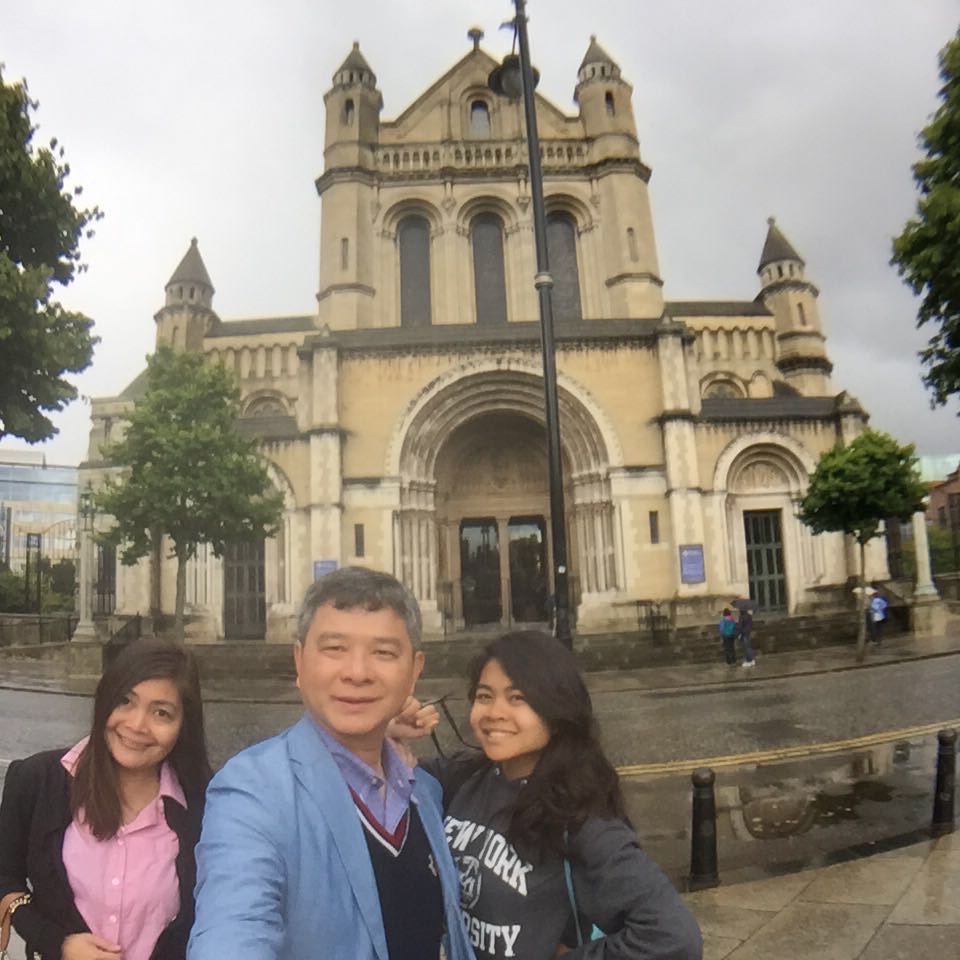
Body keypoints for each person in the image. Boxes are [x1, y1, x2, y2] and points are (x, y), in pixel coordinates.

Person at [187, 567, 474, 960]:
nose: (357, 673)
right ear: (300, 663)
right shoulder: (253, 792)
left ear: (414, 672)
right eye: (335, 649)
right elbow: (233, 928)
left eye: (384, 653)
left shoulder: (422, 791)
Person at [417, 630, 703, 960]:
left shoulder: (580, 816)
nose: (494, 712)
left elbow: (673, 937)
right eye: (484, 696)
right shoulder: (465, 774)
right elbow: (381, 784)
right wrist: (388, 729)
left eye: (518, 698)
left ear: (555, 711)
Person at [0, 638, 211, 960]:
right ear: (105, 699)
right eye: (125, 701)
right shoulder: (37, 781)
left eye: (162, 713)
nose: (137, 725)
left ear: (183, 726)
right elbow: (5, 875)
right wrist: (56, 942)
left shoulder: (206, 807)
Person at [731, 598, 756, 668]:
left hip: (744, 633)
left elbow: (740, 626)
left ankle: (749, 660)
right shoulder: (749, 616)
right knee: (748, 646)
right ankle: (751, 660)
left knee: (746, 647)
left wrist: (738, 633)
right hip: (747, 632)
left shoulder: (742, 617)